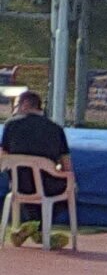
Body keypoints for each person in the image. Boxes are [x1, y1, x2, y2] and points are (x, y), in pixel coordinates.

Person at [1, 87, 73, 246]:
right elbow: (67, 165)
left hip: (19, 184)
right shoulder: (55, 129)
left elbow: (3, 157)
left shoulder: (10, 126)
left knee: (25, 180)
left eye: (16, 105)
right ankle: (38, 228)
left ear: (25, 105)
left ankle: (33, 226)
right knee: (70, 188)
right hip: (48, 185)